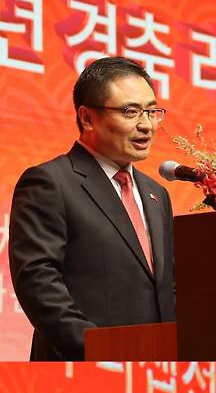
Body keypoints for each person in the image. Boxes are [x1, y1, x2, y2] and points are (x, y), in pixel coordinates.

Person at [9, 56, 176, 360]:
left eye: (152, 111)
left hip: (158, 376)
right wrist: (99, 351)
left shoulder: (156, 194)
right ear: (87, 118)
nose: (146, 125)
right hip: (82, 373)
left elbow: (167, 287)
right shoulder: (51, 182)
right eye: (130, 112)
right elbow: (38, 282)